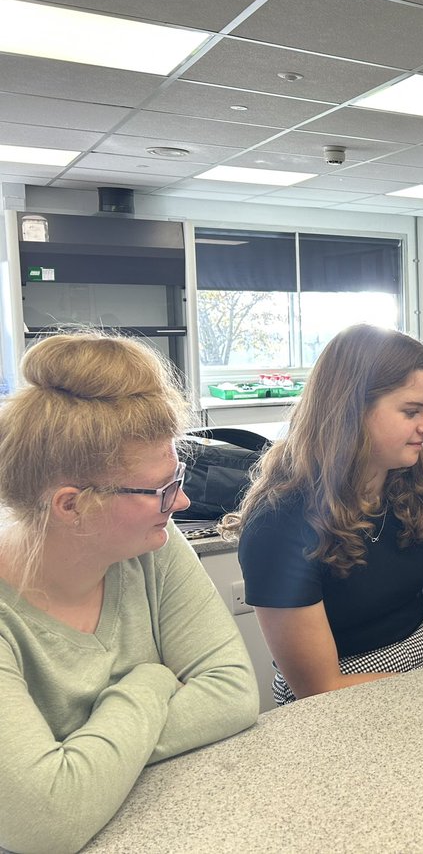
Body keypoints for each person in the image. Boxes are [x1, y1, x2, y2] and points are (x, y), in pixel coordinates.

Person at [0, 332, 258, 854]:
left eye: (177, 476)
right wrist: (151, 680)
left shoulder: (154, 544)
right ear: (71, 505)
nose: (181, 500)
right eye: (161, 489)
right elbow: (45, 821)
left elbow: (232, 693)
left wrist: (77, 764)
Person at [228, 325, 423, 704]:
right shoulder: (277, 526)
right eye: (411, 411)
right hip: (336, 698)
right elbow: (320, 687)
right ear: (352, 411)